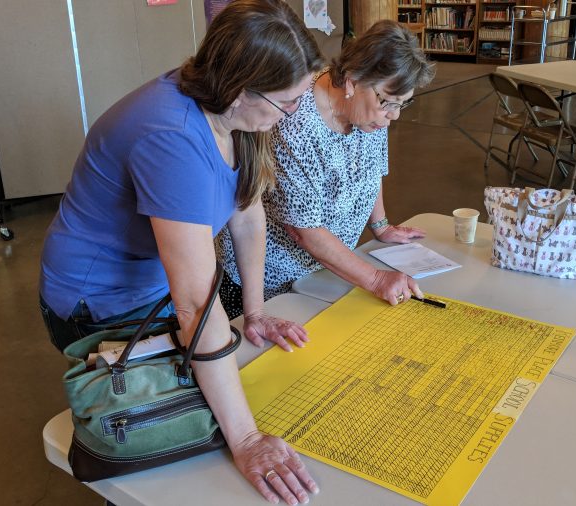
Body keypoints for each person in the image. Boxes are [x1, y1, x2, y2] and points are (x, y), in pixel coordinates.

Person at [38, 1, 322, 503]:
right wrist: (249, 440)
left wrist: (254, 312)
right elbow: (194, 300)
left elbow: (247, 212)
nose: (294, 114)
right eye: (289, 103)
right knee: (164, 435)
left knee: (220, 393)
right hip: (99, 301)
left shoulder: (231, 110)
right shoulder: (172, 136)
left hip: (156, 287)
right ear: (240, 90)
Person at [217, 20, 436, 319]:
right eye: (389, 102)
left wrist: (381, 225)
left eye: (402, 104)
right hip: (272, 280)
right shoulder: (297, 123)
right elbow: (304, 230)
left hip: (325, 270)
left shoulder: (369, 111)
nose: (393, 115)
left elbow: (370, 172)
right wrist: (375, 279)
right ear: (352, 81)